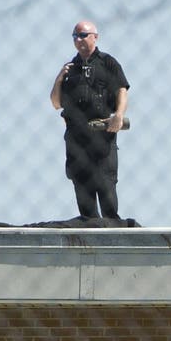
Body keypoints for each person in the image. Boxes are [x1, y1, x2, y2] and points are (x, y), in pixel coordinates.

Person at [50, 20, 129, 220]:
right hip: (77, 137)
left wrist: (118, 115)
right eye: (75, 36)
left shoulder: (108, 62)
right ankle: (90, 229)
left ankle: (111, 231)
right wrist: (59, 79)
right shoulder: (70, 68)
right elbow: (56, 103)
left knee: (106, 186)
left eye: (83, 35)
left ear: (95, 36)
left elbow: (121, 89)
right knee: (82, 185)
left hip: (101, 135)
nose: (78, 40)